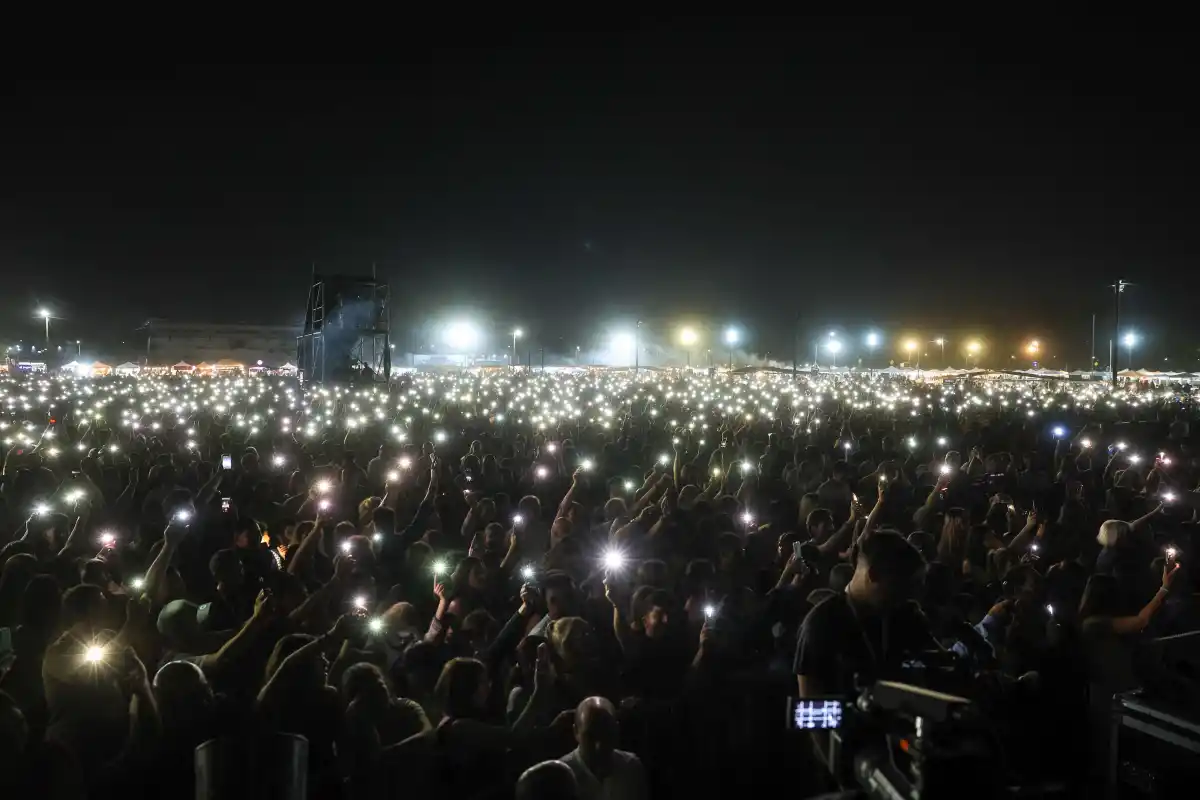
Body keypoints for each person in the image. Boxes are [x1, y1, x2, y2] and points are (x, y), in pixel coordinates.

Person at [560, 696, 648, 800]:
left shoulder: (632, 768)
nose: (599, 746)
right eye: (591, 736)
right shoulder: (560, 776)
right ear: (576, 732)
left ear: (616, 730)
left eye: (606, 734)